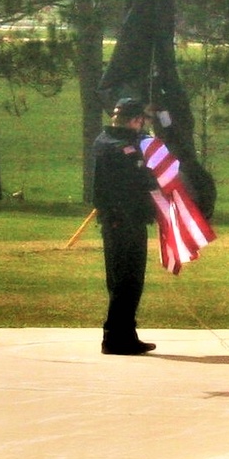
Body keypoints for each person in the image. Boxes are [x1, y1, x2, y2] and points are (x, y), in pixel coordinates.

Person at [90, 96, 159, 355]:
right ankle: (114, 337)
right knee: (123, 280)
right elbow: (134, 170)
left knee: (132, 281)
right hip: (119, 220)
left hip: (134, 218)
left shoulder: (131, 142)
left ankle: (126, 333)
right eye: (140, 120)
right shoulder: (111, 143)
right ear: (135, 119)